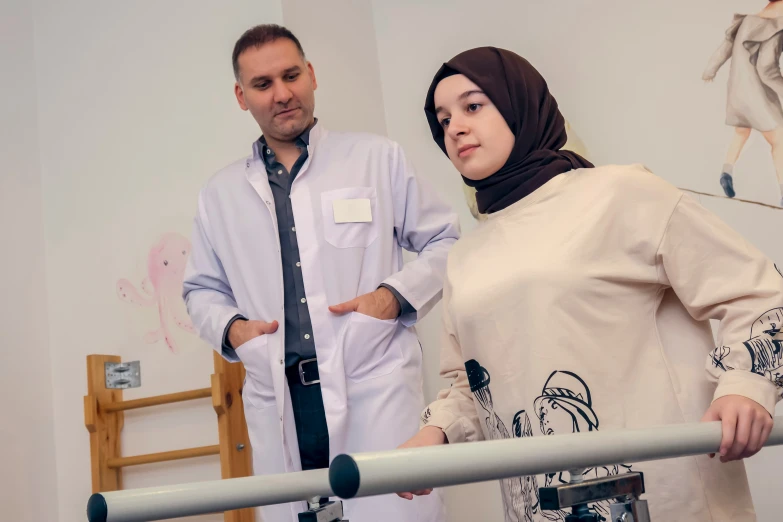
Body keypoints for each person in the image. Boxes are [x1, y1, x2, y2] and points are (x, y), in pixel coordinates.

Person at [398, 46, 782, 522]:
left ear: (520, 103)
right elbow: (471, 383)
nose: (454, 127)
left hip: (665, 495)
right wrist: (434, 433)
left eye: (473, 106)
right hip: (544, 507)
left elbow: (758, 291)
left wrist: (745, 384)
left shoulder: (620, 193)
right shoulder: (465, 258)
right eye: (442, 119)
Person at [182, 24, 456, 522]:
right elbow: (201, 288)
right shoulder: (219, 194)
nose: (282, 94)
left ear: (311, 75)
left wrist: (392, 296)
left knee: (391, 512)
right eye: (263, 85)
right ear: (242, 97)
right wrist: (235, 331)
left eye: (291, 76)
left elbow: (445, 242)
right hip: (279, 396)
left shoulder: (376, 158)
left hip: (371, 383)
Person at [703, 0, 783, 206]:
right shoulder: (777, 26)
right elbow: (767, 68)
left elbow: (725, 48)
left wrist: (710, 70)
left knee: (742, 131)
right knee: (779, 139)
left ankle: (726, 171)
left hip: (738, 89)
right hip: (758, 92)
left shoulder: (747, 21)